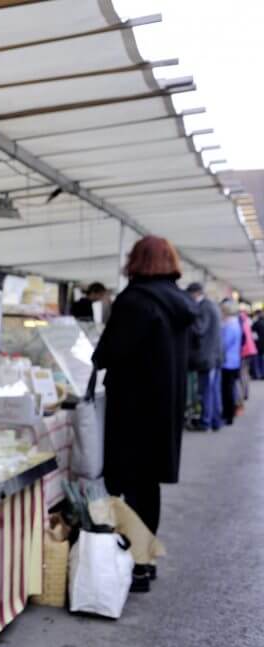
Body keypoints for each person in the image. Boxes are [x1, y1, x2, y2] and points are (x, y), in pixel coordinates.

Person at [92, 236, 196, 591]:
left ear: (135, 260)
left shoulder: (134, 301)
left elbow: (106, 355)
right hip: (164, 409)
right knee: (148, 487)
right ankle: (145, 561)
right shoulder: (182, 303)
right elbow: (193, 357)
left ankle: (135, 565)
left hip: (132, 409)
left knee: (127, 484)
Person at [185, 283, 223, 431]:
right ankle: (214, 420)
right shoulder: (212, 305)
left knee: (206, 391)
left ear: (194, 294)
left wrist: (188, 322)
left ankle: (206, 422)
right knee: (213, 390)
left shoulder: (204, 307)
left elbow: (199, 329)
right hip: (215, 356)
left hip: (207, 357)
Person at [220, 300, 243, 424]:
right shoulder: (235, 323)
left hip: (227, 362)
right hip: (234, 361)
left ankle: (228, 415)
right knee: (230, 389)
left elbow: (224, 344)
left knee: (226, 390)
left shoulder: (229, 325)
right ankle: (230, 413)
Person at [252, 309, 264, 379]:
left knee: (258, 360)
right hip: (260, 344)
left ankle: (258, 374)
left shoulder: (256, 323)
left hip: (258, 344)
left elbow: (253, 335)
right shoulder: (257, 323)